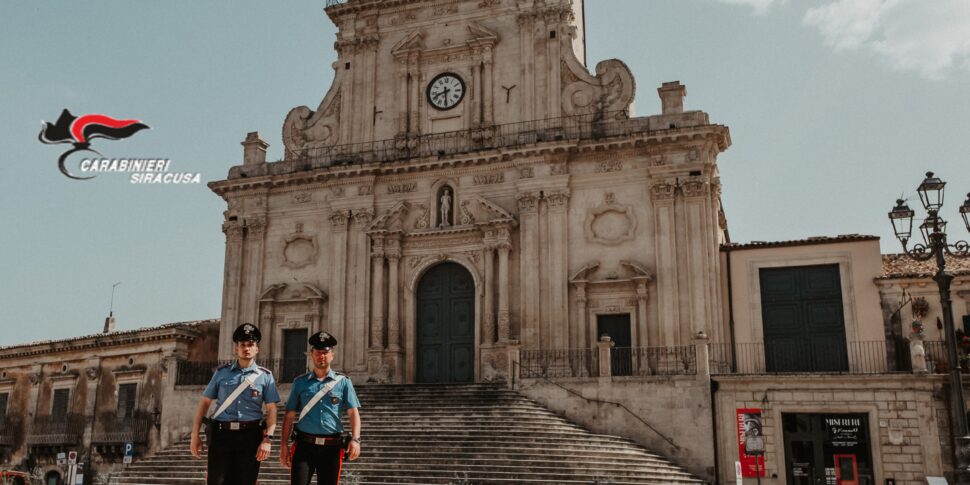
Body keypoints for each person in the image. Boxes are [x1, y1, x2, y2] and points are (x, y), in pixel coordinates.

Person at [190, 323, 280, 485]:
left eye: (251, 345)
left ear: (256, 349)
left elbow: (272, 410)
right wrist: (194, 434)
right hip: (221, 435)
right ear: (236, 349)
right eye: (242, 345)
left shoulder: (265, 376)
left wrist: (268, 439)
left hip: (250, 436)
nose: (246, 348)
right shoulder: (221, 373)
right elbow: (204, 403)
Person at [280, 331, 361, 485]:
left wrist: (356, 439)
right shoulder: (300, 382)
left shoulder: (343, 382)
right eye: (318, 352)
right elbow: (289, 416)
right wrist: (283, 445)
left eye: (325, 352)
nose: (322, 356)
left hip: (331, 447)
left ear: (332, 355)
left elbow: (353, 413)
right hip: (304, 447)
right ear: (311, 354)